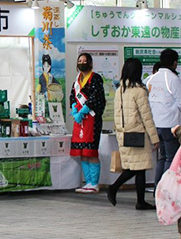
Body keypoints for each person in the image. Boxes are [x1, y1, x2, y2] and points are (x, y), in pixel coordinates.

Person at [107, 58, 159, 210]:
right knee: (136, 168)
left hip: (123, 134)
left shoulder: (119, 90)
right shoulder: (139, 91)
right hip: (137, 134)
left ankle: (140, 201)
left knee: (138, 168)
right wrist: (154, 138)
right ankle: (115, 187)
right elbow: (146, 116)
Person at [70, 52, 107, 193]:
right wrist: (74, 109)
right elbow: (73, 96)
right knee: (82, 151)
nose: (82, 63)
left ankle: (94, 183)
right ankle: (87, 181)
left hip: (91, 119)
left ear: (90, 63)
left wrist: (85, 109)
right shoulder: (77, 80)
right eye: (80, 60)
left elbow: (97, 96)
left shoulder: (95, 78)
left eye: (85, 61)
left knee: (91, 151)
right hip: (80, 121)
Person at [148, 48, 181, 185]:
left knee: (162, 158)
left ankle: (157, 190)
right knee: (171, 159)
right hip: (170, 125)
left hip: (155, 125)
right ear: (175, 63)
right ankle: (166, 190)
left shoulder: (150, 79)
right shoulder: (173, 79)